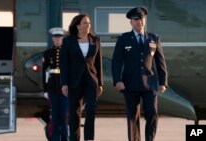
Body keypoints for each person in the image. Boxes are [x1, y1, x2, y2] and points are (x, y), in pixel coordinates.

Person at [111, 7, 168, 141]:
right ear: (131, 22)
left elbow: (160, 62)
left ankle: (149, 139)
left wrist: (163, 82)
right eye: (136, 19)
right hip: (130, 84)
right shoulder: (124, 39)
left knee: (152, 113)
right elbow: (116, 62)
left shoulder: (153, 38)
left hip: (150, 84)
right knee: (132, 117)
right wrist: (117, 80)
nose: (139, 21)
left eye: (141, 18)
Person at [60, 14, 103, 141]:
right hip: (74, 81)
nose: (88, 25)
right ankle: (74, 138)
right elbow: (64, 64)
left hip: (91, 80)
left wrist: (100, 83)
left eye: (89, 23)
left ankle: (88, 138)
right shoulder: (68, 42)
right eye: (85, 23)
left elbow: (98, 63)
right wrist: (64, 83)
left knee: (91, 110)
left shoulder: (95, 40)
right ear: (78, 26)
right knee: (74, 113)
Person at [42, 27, 69, 141]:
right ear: (52, 39)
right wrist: (45, 90)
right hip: (52, 87)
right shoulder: (47, 53)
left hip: (65, 88)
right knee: (55, 116)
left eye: (60, 37)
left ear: (63, 38)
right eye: (56, 37)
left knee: (64, 116)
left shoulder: (68, 52)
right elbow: (44, 72)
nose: (58, 40)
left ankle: (64, 138)